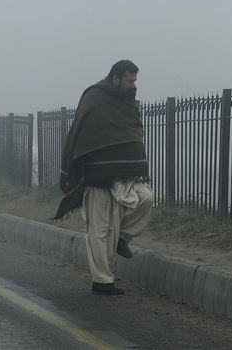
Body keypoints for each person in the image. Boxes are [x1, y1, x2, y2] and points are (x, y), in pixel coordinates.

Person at [52, 60, 153, 296]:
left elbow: (132, 133)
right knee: (101, 229)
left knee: (146, 199)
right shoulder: (94, 98)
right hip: (96, 174)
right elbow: (82, 133)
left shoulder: (128, 104)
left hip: (123, 175)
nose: (134, 86)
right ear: (116, 78)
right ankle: (102, 281)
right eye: (130, 81)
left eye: (135, 81)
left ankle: (122, 239)